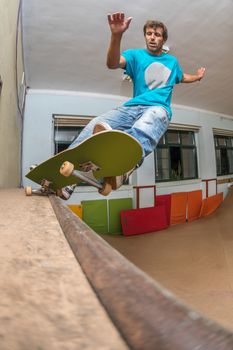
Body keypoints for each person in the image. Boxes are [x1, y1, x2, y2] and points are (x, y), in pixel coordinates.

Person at [59, 12, 205, 199]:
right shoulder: (136, 55)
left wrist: (198, 77)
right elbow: (112, 63)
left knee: (148, 122)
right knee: (96, 123)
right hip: (131, 108)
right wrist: (116, 35)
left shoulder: (172, 62)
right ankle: (65, 179)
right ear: (145, 36)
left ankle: (124, 166)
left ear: (163, 39)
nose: (152, 37)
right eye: (149, 33)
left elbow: (183, 77)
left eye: (157, 34)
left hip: (158, 108)